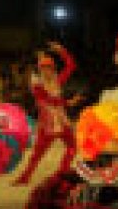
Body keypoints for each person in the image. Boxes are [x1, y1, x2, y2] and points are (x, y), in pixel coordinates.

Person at [12, 41, 81, 186]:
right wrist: (69, 103)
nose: (46, 71)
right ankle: (25, 178)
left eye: (49, 67)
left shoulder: (58, 80)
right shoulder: (37, 84)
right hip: (48, 125)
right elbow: (49, 100)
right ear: (40, 69)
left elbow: (71, 65)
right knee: (37, 154)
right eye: (43, 68)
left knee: (73, 147)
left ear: (53, 68)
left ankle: (61, 173)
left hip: (62, 123)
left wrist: (61, 50)